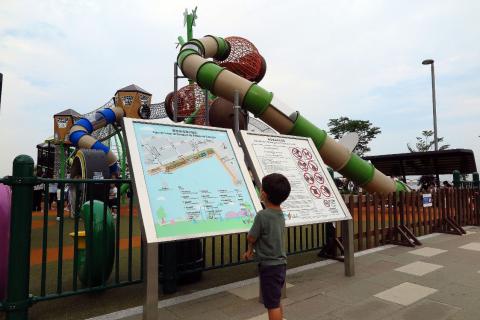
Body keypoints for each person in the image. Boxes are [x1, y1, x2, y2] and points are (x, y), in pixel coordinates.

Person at [243, 173, 291, 320]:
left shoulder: (262, 216)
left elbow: (251, 236)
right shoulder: (280, 213)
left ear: (263, 194)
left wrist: (250, 246)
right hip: (280, 264)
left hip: (269, 266)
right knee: (275, 299)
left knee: (272, 305)